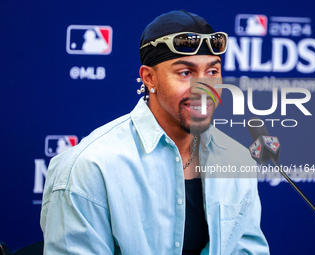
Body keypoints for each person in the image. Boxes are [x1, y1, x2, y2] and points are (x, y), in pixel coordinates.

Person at [40, 10, 269, 254]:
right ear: (149, 78)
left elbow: (247, 248)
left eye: (212, 72)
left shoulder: (236, 158)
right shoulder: (89, 166)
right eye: (186, 73)